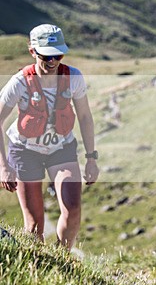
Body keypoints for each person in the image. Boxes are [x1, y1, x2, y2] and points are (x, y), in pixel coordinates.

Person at [0, 24, 99, 249]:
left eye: (58, 55)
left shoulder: (73, 77)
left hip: (61, 148)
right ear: (32, 51)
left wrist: (91, 159)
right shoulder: (20, 82)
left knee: (73, 208)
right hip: (24, 151)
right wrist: (3, 166)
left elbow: (85, 117)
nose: (52, 62)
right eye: (46, 56)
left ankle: (62, 258)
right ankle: (38, 263)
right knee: (35, 223)